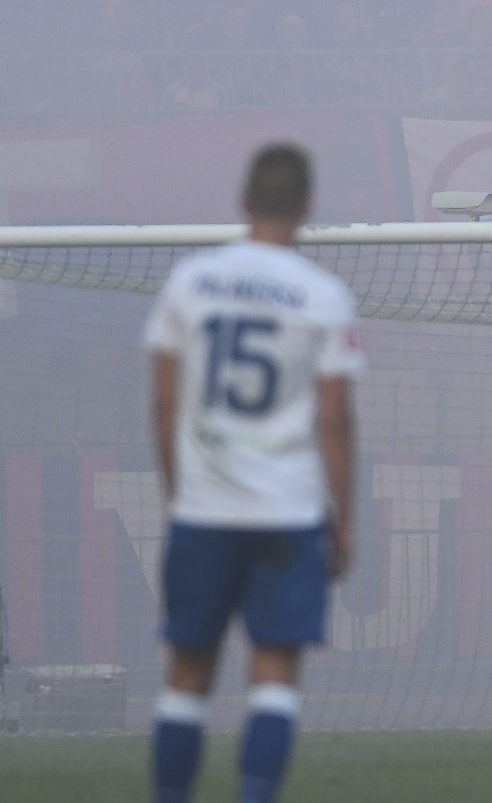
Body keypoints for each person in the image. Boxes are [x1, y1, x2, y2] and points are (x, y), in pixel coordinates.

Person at [143, 143, 362, 803]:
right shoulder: (323, 296)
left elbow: (162, 400)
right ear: (305, 208)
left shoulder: (191, 281)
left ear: (243, 201)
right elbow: (334, 419)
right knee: (273, 676)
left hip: (205, 510)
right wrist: (344, 518)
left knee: (187, 674)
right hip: (288, 512)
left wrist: (179, 491)